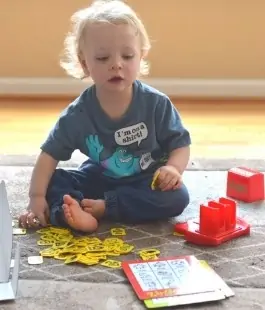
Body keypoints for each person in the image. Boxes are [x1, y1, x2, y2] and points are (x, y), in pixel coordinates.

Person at [19, 0, 191, 233]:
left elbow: (180, 144)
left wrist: (173, 169)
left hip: (146, 181)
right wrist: (36, 197)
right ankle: (71, 213)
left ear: (140, 56)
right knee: (55, 180)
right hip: (99, 179)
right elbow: (48, 156)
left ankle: (105, 208)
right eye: (102, 58)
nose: (116, 65)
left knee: (178, 197)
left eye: (128, 56)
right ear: (85, 63)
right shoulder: (77, 115)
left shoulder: (156, 104)